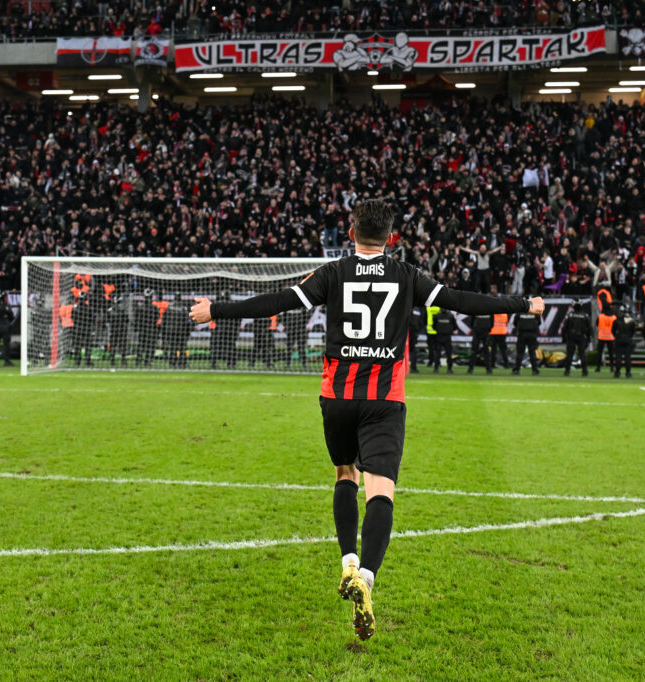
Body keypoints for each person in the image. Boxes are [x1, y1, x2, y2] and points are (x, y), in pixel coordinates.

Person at [189, 199, 545, 641]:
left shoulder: (333, 272)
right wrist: (523, 303)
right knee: (381, 488)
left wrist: (217, 310)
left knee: (345, 474)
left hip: (337, 396)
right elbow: (462, 301)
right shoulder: (407, 274)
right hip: (384, 399)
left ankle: (348, 561)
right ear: (391, 237)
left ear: (351, 232)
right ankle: (367, 577)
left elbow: (278, 302)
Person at [562, 299, 590, 377]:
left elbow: (564, 327)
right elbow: (589, 328)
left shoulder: (570, 315)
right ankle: (584, 372)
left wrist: (564, 337)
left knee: (570, 355)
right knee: (582, 354)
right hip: (581, 337)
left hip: (571, 337)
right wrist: (588, 338)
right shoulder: (585, 315)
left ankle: (567, 371)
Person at [512, 309, 540, 375]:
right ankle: (535, 370)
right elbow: (539, 322)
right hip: (532, 334)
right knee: (532, 353)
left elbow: (515, 322)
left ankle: (517, 370)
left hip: (522, 334)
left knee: (520, 352)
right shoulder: (535, 311)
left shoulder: (519, 311)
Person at [611, 304, 637, 378]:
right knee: (627, 358)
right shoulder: (631, 321)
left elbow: (613, 331)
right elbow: (633, 331)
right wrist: (629, 337)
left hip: (619, 339)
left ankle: (617, 373)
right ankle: (628, 373)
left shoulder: (617, 320)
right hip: (628, 340)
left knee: (618, 358)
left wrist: (617, 336)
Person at [428, 306, 455, 373]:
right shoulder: (450, 316)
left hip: (439, 336)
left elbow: (433, 326)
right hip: (447, 336)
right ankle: (449, 369)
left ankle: (436, 369)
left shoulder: (437, 316)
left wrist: (438, 330)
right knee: (448, 353)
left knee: (438, 353)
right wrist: (449, 331)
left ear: (440, 308)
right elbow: (455, 326)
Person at [106, 294, 130, 367]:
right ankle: (122, 361)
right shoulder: (123, 310)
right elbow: (127, 320)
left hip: (115, 330)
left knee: (114, 345)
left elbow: (108, 319)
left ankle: (113, 361)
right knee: (122, 346)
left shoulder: (111, 310)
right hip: (121, 330)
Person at [70, 294, 94, 367]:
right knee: (87, 345)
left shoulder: (75, 309)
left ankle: (77, 361)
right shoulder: (89, 308)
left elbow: (72, 317)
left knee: (77, 346)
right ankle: (87, 361)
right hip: (87, 328)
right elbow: (92, 318)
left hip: (77, 329)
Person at [284, 306, 310, 371]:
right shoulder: (288, 306)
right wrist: (285, 326)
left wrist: (304, 326)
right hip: (291, 329)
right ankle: (287, 364)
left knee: (301, 347)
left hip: (300, 329)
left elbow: (307, 316)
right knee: (289, 347)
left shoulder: (302, 306)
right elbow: (284, 316)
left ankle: (304, 364)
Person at [594, 302, 616, 372]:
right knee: (611, 353)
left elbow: (597, 324)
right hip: (611, 337)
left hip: (601, 337)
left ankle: (598, 367)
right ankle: (612, 368)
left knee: (599, 353)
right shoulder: (614, 317)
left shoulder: (601, 316)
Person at [407, 305, 424, 373]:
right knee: (413, 351)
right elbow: (421, 323)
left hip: (406, 333)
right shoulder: (417, 311)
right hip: (413, 333)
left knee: (402, 351)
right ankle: (413, 368)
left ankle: (402, 367)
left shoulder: (405, 309)